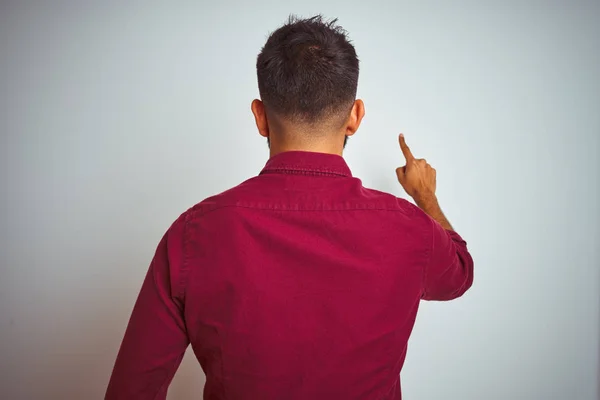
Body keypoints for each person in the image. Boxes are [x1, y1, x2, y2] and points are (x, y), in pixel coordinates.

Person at [105, 15, 474, 400]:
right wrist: (426, 198)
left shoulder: (193, 233)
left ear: (260, 117)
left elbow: (133, 389)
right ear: (354, 117)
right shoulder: (411, 229)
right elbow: (459, 275)